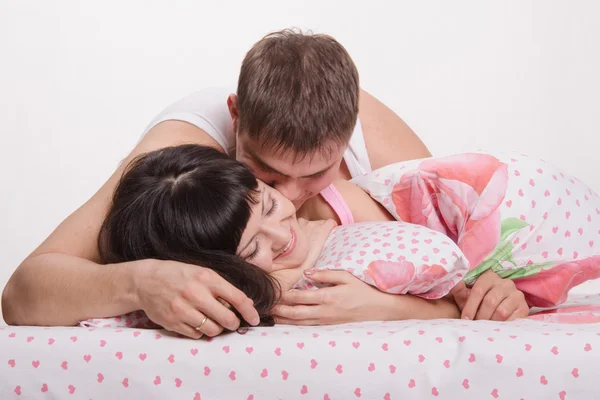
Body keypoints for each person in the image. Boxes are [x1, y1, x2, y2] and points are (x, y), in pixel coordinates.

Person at [1, 29, 511, 337]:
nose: (289, 201)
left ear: (348, 133)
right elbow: (22, 293)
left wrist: (493, 289)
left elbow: (458, 264)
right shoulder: (178, 161)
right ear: (235, 118)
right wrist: (140, 280)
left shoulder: (366, 128)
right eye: (266, 177)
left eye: (315, 174)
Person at [97, 144, 463, 333]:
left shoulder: (341, 213)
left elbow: (456, 299)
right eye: (253, 248)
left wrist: (385, 307)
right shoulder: (271, 290)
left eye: (271, 204)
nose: (283, 235)